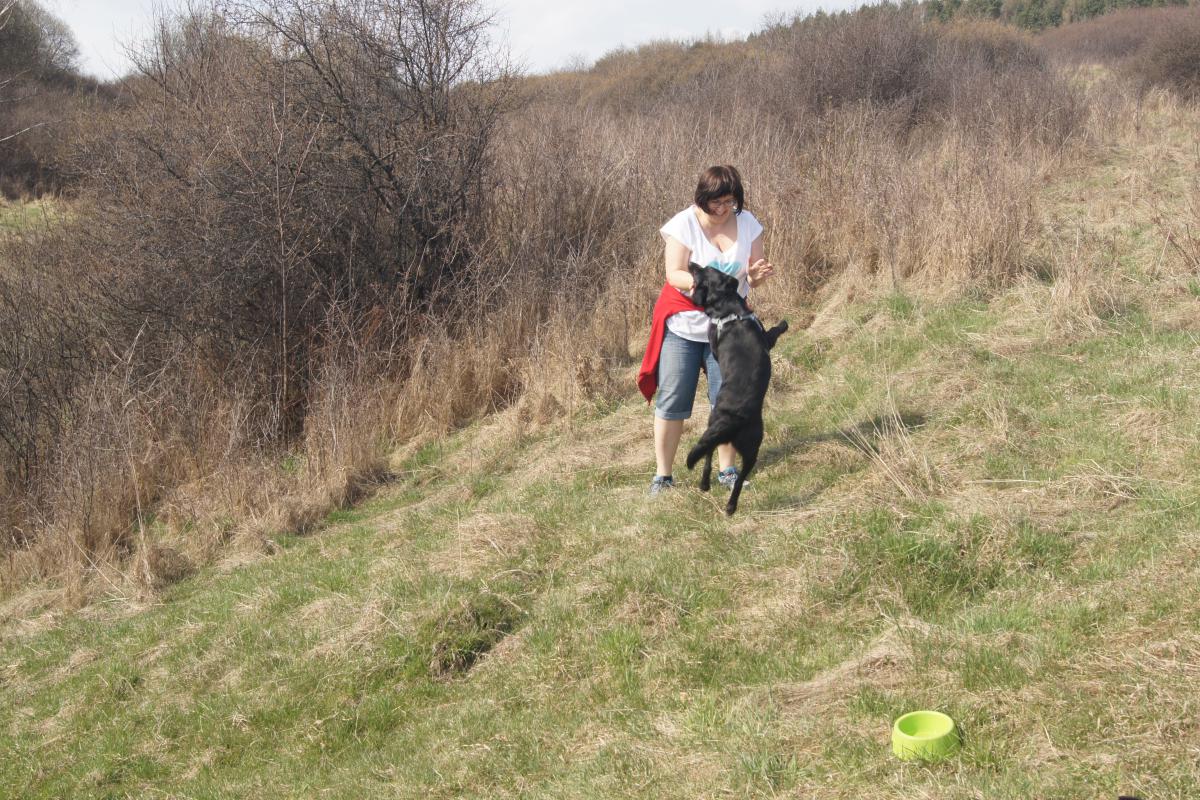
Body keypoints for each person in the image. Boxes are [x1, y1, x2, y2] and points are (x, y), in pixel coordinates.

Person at [637, 165, 777, 496]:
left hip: (729, 330)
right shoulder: (684, 223)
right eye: (716, 202)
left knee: (727, 399)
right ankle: (663, 477)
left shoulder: (748, 223)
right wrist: (706, 285)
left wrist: (754, 277)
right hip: (684, 325)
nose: (722, 209)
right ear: (702, 198)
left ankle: (727, 471)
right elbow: (674, 273)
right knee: (672, 400)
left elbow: (752, 274)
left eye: (729, 202)